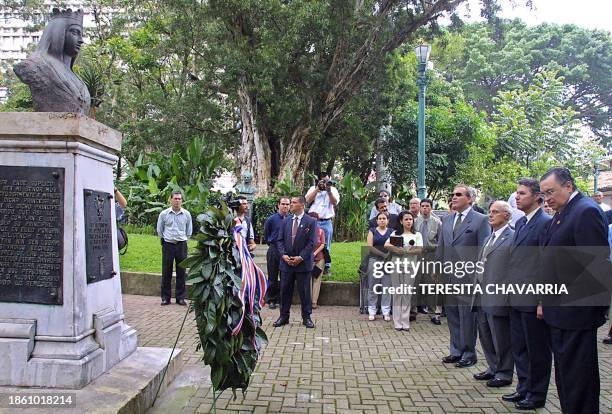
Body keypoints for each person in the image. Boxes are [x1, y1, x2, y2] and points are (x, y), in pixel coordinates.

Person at [539, 167, 611, 414]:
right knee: (566, 377)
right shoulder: (563, 212)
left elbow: (595, 264)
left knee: (579, 379)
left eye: (550, 192)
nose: (546, 198)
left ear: (568, 186)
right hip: (559, 313)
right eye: (543, 193)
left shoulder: (585, 211)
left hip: (577, 314)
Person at [502, 178, 552, 410]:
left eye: (522, 193)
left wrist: (542, 300)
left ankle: (536, 394)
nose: (517, 197)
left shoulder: (545, 223)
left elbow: (546, 265)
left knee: (537, 349)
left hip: (532, 298)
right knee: (519, 347)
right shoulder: (521, 223)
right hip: (515, 296)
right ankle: (523, 388)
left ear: (537, 197)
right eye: (517, 193)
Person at [436, 185, 490, 367]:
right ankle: (455, 350)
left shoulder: (481, 220)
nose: (454, 197)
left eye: (458, 194)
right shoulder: (447, 219)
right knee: (452, 315)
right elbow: (441, 247)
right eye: (452, 194)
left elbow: (484, 251)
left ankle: (469, 353)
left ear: (470, 199)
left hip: (468, 278)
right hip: (449, 276)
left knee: (467, 317)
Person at [13, 8, 90, 114]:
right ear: (58, 33)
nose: (81, 40)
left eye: (81, 35)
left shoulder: (77, 78)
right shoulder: (33, 66)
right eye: (75, 33)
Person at [473, 201, 514, 388]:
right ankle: (492, 367)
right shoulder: (488, 237)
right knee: (485, 333)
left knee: (501, 336)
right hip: (481, 293)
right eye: (490, 212)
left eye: (495, 212)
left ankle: (504, 373)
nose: (490, 215)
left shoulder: (512, 237)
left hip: (498, 294)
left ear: (507, 216)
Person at [274, 196, 318, 329]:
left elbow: (312, 242)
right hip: (286, 263)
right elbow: (279, 240)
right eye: (290, 202)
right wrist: (283, 255)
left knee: (305, 292)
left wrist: (301, 257)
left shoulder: (311, 221)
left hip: (303, 264)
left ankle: (307, 317)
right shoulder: (286, 221)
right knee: (285, 290)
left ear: (302, 205)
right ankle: (283, 316)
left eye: (293, 203)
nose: (290, 205)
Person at [385, 211, 423, 331]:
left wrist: (406, 251)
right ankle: (397, 321)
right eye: (406, 219)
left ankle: (405, 321)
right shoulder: (396, 233)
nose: (408, 221)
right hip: (396, 265)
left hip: (410, 266)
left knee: (407, 293)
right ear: (401, 221)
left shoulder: (417, 235)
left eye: (410, 219)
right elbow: (387, 245)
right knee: (397, 293)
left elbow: (420, 249)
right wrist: (396, 250)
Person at [157, 191, 192, 306]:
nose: (177, 201)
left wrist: (183, 239)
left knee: (181, 272)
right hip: (168, 244)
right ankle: (165, 298)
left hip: (181, 245)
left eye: (179, 199)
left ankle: (180, 298)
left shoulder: (186, 214)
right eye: (175, 199)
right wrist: (165, 239)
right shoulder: (164, 214)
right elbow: (160, 230)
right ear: (170, 200)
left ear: (182, 200)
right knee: (166, 271)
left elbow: (189, 231)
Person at [414, 199, 443, 325]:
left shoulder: (437, 223)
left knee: (431, 285)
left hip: (431, 256)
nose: (425, 208)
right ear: (420, 208)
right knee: (415, 283)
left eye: (427, 206)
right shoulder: (414, 222)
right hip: (416, 256)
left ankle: (433, 313)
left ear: (431, 208)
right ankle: (412, 311)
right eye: (423, 206)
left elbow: (440, 242)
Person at [306, 174, 340, 272]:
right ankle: (310, 262)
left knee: (326, 244)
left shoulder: (333, 190)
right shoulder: (313, 188)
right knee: (310, 242)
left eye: (327, 181)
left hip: (326, 221)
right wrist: (317, 189)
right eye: (323, 181)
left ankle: (327, 266)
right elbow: (307, 200)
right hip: (312, 220)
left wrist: (329, 191)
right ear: (319, 181)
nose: (325, 183)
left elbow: (334, 203)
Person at [263, 197, 291, 309]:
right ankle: (271, 300)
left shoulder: (291, 219)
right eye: (283, 204)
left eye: (287, 204)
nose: (285, 206)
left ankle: (283, 300)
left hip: (287, 250)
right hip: (274, 250)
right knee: (273, 276)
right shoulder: (271, 219)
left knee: (285, 276)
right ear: (278, 205)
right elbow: (266, 235)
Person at [366, 212, 393, 321]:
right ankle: (372, 310)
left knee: (387, 287)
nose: (382, 220)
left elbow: (394, 246)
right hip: (374, 260)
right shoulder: (372, 231)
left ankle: (386, 311)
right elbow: (370, 246)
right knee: (373, 286)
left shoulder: (392, 232)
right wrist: (382, 254)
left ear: (388, 220)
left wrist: (388, 256)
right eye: (380, 218)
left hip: (388, 262)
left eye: (384, 218)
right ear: (377, 221)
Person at [308, 211, 326, 309]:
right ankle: (307, 301)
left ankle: (314, 302)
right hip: (307, 260)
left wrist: (314, 253)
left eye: (316, 220)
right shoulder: (305, 231)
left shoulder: (320, 231)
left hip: (319, 259)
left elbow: (323, 244)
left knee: (316, 280)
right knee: (308, 280)